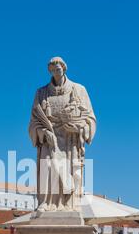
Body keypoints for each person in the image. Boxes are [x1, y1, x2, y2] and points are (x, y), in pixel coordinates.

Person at [29, 57, 96, 212]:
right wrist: (43, 132)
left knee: (70, 173)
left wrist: (78, 128)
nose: (55, 73)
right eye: (52, 70)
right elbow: (33, 122)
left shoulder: (78, 90)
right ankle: (46, 203)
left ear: (64, 69)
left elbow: (90, 119)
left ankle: (69, 204)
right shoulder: (41, 93)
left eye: (58, 69)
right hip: (48, 140)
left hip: (70, 140)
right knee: (48, 169)